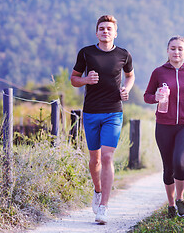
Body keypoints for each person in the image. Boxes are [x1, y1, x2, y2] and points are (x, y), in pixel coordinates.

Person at [70, 15, 135, 224]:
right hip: (90, 112)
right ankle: (97, 191)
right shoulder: (86, 53)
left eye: (109, 28)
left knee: (107, 157)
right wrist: (86, 80)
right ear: (96, 32)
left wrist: (127, 89)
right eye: (102, 28)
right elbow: (73, 79)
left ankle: (104, 208)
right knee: (95, 160)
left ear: (115, 32)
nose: (105, 31)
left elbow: (130, 76)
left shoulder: (123, 55)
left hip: (113, 112)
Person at [144, 35, 184, 218]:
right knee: (168, 167)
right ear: (167, 51)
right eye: (173, 48)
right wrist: (156, 98)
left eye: (180, 49)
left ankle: (180, 199)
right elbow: (147, 95)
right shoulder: (158, 72)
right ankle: (170, 205)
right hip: (164, 125)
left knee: (180, 161)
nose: (176, 52)